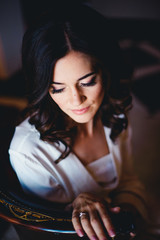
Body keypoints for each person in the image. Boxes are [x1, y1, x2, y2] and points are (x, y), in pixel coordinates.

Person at [9, 2, 150, 239]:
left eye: (87, 82)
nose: (77, 100)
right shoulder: (28, 152)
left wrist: (124, 214)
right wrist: (74, 210)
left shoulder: (115, 113)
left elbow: (128, 182)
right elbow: (44, 231)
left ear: (106, 70)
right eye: (57, 89)